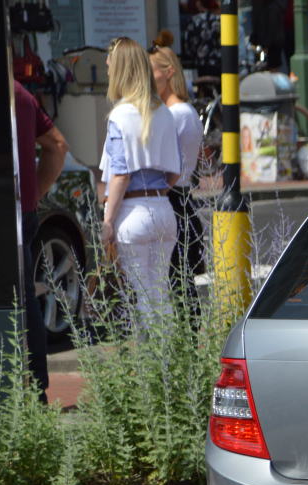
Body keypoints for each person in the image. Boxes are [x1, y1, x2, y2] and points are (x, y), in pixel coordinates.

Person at [99, 37, 182, 330]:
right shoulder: (163, 112)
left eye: (109, 66)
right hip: (162, 207)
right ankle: (170, 362)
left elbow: (119, 174)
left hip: (131, 211)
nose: (107, 72)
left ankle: (153, 369)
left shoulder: (120, 115)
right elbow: (175, 172)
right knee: (160, 293)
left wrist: (108, 221)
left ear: (121, 70)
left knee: (141, 295)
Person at [13, 82, 67, 403]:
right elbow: (58, 145)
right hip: (21, 210)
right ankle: (36, 391)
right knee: (24, 297)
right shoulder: (20, 93)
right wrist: (33, 196)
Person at [149, 40, 205, 313]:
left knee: (179, 283)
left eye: (152, 71)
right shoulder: (183, 112)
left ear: (169, 71)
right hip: (180, 200)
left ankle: (187, 344)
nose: (149, 78)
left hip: (175, 200)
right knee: (180, 283)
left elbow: (168, 167)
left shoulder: (176, 114)